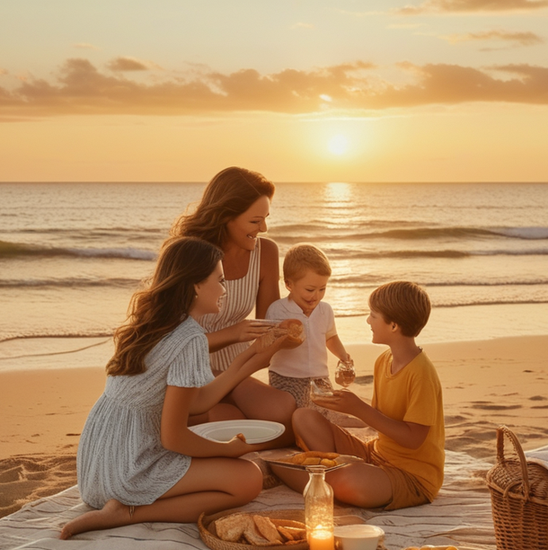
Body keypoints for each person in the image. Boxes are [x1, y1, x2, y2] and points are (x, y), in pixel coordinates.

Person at [60, 236, 296, 539]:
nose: (225, 290)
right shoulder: (189, 339)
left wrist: (255, 356)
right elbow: (173, 438)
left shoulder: (157, 324)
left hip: (97, 467)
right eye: (220, 280)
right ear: (196, 285)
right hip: (127, 471)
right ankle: (127, 513)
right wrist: (227, 450)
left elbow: (197, 402)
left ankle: (123, 506)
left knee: (236, 466)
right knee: (248, 479)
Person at [272, 281, 445, 511]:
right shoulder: (384, 360)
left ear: (393, 325)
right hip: (375, 454)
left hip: (410, 475)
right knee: (304, 417)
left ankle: (316, 477)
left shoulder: (421, 373)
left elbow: (413, 439)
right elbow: (381, 418)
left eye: (373, 315)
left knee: (350, 479)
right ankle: (325, 471)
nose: (368, 321)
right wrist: (341, 409)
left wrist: (358, 408)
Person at [171, 167, 296, 441]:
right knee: (231, 420)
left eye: (265, 219)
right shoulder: (189, 255)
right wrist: (234, 333)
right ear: (226, 215)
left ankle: (209, 417)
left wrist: (291, 331)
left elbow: (268, 327)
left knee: (283, 411)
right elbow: (169, 343)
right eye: (255, 221)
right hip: (186, 370)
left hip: (238, 368)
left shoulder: (266, 252)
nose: (263, 228)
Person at [265, 243, 352, 413]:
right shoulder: (278, 310)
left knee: (324, 414)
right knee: (291, 414)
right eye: (310, 289)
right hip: (285, 376)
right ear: (289, 284)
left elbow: (330, 337)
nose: (316, 296)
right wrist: (280, 336)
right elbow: (267, 342)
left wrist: (343, 355)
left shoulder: (325, 310)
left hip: (320, 377)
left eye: (322, 289)